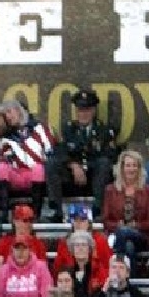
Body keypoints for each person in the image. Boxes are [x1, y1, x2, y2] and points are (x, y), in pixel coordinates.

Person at [53, 88, 118, 217]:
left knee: (104, 163)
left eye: (87, 110)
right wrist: (73, 165)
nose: (83, 114)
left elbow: (110, 155)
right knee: (52, 164)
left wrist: (86, 166)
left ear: (93, 110)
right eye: (80, 110)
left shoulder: (104, 130)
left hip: (95, 178)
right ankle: (57, 210)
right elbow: (60, 152)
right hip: (72, 178)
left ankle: (98, 210)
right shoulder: (68, 129)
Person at [0, 96, 57, 220]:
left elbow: (51, 151)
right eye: (5, 114)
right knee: (1, 168)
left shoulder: (40, 128)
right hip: (15, 174)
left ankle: (36, 212)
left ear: (19, 110)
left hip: (34, 173)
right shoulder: (5, 135)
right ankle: (4, 212)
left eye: (9, 111)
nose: (8, 116)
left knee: (39, 168)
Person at [101, 149, 149, 268]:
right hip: (118, 236)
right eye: (128, 165)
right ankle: (128, 280)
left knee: (124, 232)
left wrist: (135, 226)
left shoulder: (147, 190)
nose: (131, 169)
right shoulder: (110, 190)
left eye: (134, 165)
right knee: (128, 246)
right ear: (121, 168)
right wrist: (118, 225)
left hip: (141, 236)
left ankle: (118, 276)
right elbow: (106, 220)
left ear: (139, 169)